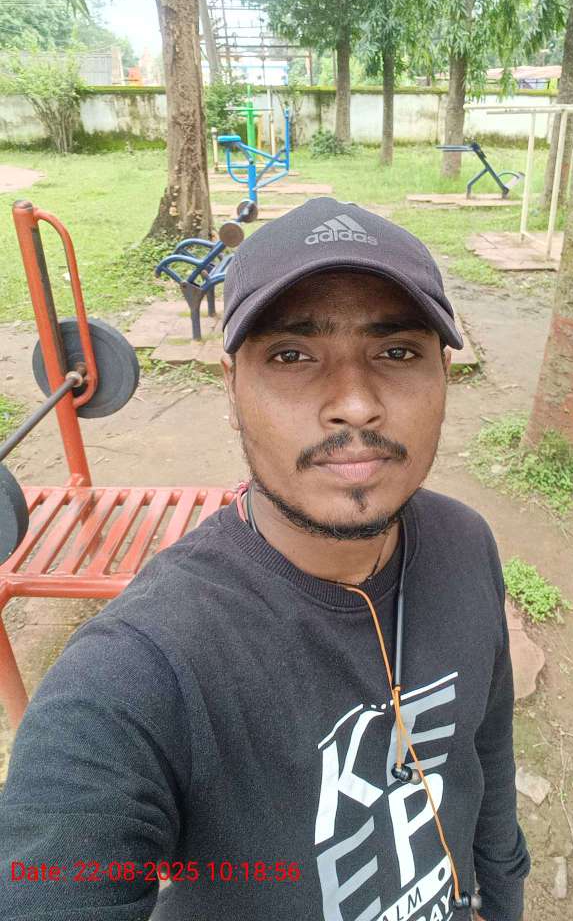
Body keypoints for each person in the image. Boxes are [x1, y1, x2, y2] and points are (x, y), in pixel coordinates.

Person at [0, 198, 531, 921]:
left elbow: (486, 757)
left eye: (397, 352)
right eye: (291, 356)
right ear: (231, 389)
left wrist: (502, 896)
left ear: (443, 375)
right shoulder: (140, 673)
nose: (355, 404)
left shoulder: (466, 544)